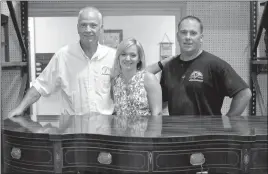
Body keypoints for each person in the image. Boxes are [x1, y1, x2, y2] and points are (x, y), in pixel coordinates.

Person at [7, 7, 116, 134]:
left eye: (93, 25)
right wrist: (20, 108)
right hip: (72, 132)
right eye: (83, 25)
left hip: (105, 131)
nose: (88, 29)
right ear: (77, 28)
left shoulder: (112, 57)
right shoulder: (63, 56)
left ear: (101, 29)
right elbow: (40, 86)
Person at [153, 16, 252, 116]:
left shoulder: (215, 65)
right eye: (183, 32)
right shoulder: (169, 67)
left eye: (193, 33)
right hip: (176, 130)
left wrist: (228, 121)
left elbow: (244, 93)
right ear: (177, 36)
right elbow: (163, 101)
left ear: (201, 38)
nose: (188, 37)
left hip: (207, 131)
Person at [111, 38, 162, 136]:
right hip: (121, 140)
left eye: (133, 55)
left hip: (143, 140)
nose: (127, 58)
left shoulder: (148, 79)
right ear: (118, 57)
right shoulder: (115, 81)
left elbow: (157, 114)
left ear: (139, 58)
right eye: (124, 54)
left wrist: (151, 142)